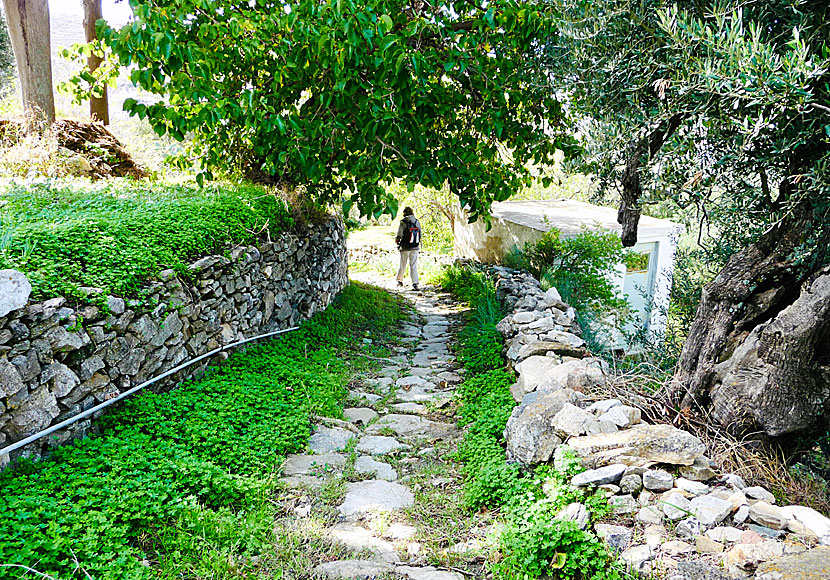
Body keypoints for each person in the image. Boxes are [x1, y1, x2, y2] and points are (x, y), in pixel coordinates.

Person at [395, 207, 421, 290]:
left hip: (405, 247)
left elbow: (399, 234)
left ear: (404, 213)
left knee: (403, 264)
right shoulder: (417, 222)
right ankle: (415, 283)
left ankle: (399, 281)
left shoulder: (403, 222)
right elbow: (420, 234)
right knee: (413, 266)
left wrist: (397, 241)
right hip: (415, 247)